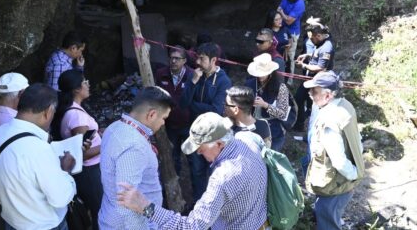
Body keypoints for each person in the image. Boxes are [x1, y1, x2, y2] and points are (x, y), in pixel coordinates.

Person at [116, 112, 268, 230]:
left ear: (220, 144)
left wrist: (146, 207)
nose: (199, 153)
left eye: (201, 148)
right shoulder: (248, 140)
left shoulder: (222, 178)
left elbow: (192, 226)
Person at [0, 84, 77, 230]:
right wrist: (65, 171)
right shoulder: (38, 149)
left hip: (12, 221)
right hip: (42, 225)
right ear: (48, 112)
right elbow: (60, 198)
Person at [99, 86, 173, 230]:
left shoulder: (115, 126)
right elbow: (126, 203)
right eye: (164, 118)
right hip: (131, 224)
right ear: (151, 115)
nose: (164, 123)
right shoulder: (134, 146)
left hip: (111, 214)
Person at [304, 71, 365, 230]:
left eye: (314, 91)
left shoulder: (329, 121)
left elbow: (338, 160)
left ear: (328, 95)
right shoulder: (345, 105)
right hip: (341, 180)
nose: (310, 95)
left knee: (327, 221)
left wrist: (353, 176)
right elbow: (357, 139)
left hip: (335, 184)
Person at [180, 42, 232, 202]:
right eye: (197, 58)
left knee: (213, 171)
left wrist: (192, 105)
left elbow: (215, 111)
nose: (198, 63)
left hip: (213, 137)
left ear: (213, 60)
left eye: (202, 59)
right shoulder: (194, 76)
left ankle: (214, 205)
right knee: (196, 171)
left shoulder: (223, 81)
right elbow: (182, 104)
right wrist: (192, 83)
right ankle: (198, 204)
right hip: (195, 134)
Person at [55, 69, 103, 229]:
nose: (88, 84)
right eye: (85, 82)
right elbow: (81, 154)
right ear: (76, 89)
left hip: (87, 173)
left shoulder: (71, 109)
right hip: (89, 172)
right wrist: (106, 144)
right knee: (100, 210)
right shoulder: (76, 116)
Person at [154, 46, 194, 174]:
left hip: (189, 125)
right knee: (173, 157)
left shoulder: (192, 75)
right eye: (171, 58)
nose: (173, 61)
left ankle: (197, 191)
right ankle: (174, 186)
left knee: (193, 159)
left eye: (177, 59)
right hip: (170, 125)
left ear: (184, 61)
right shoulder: (161, 74)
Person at [245, 53, 292, 151]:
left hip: (274, 132)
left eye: (263, 72)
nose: (260, 75)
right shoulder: (250, 84)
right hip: (253, 129)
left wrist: (265, 105)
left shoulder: (281, 88)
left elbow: (283, 114)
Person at [294, 19, 334, 130]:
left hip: (318, 81)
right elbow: (317, 54)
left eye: (312, 38)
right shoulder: (321, 41)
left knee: (315, 104)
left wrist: (303, 65)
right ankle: (300, 123)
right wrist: (307, 55)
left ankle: (313, 127)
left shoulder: (327, 48)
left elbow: (320, 67)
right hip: (310, 79)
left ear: (319, 36)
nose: (311, 41)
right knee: (298, 98)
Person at [277, 0, 306, 83]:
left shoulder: (300, 4)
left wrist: (282, 14)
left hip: (292, 32)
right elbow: (279, 8)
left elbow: (289, 21)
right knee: (279, 52)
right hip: (281, 29)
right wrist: (282, 13)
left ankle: (290, 79)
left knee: (290, 55)